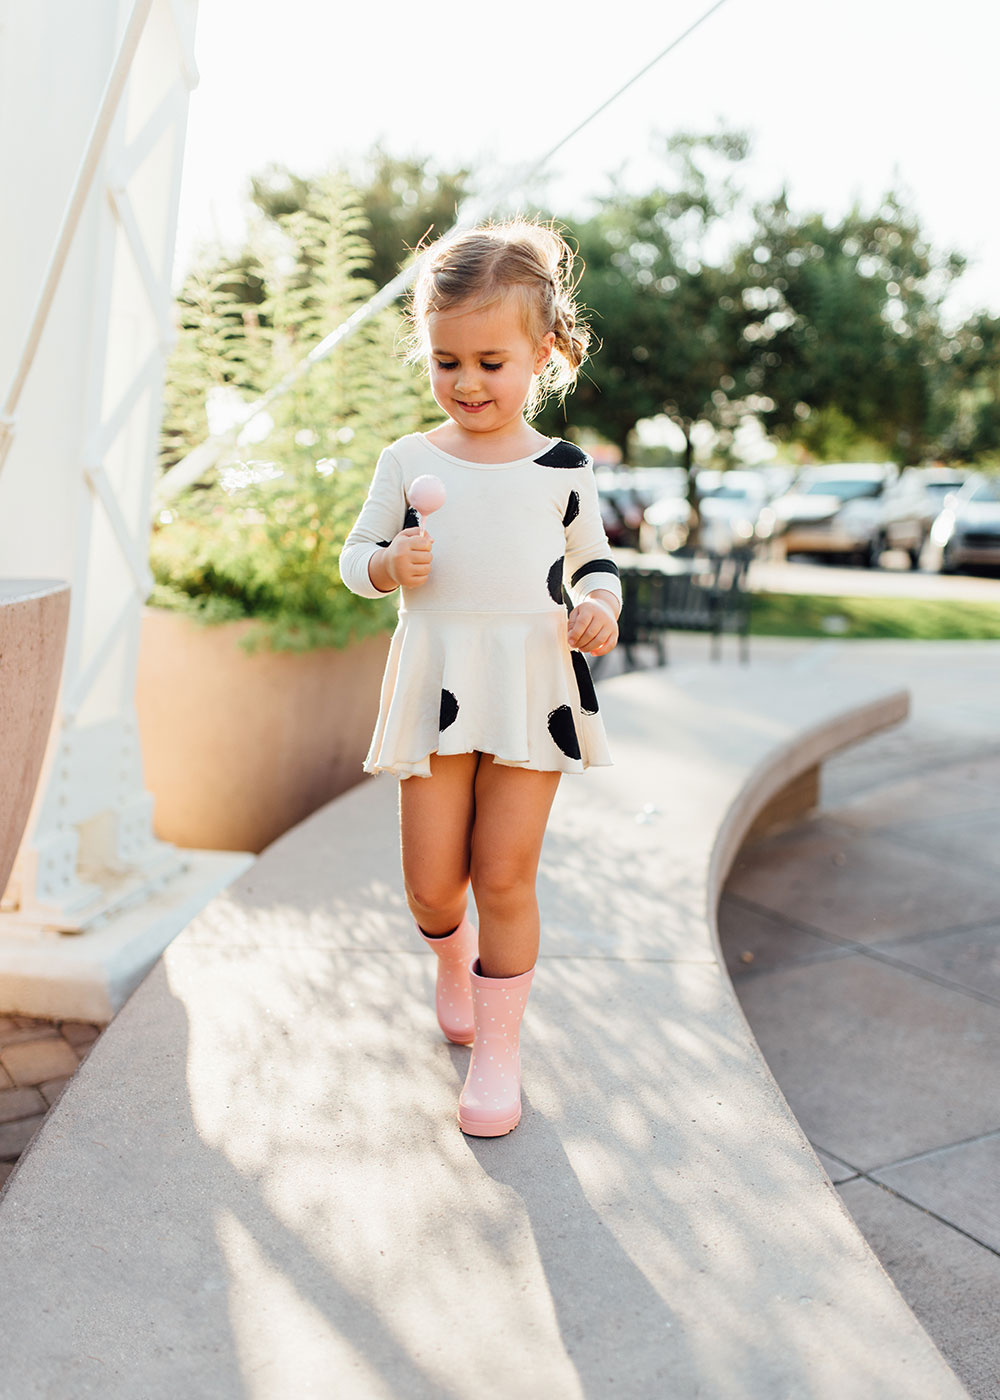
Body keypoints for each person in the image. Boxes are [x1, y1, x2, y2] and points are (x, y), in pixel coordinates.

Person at [339, 218, 621, 1137]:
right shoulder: (409, 461)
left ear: (543, 354)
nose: (466, 383)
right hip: (438, 683)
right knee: (432, 884)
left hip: (533, 685)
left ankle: (499, 1052)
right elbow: (357, 555)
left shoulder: (564, 470)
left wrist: (599, 608)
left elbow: (597, 565)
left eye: (491, 362)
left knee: (504, 874)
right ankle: (450, 960)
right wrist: (389, 568)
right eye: (445, 361)